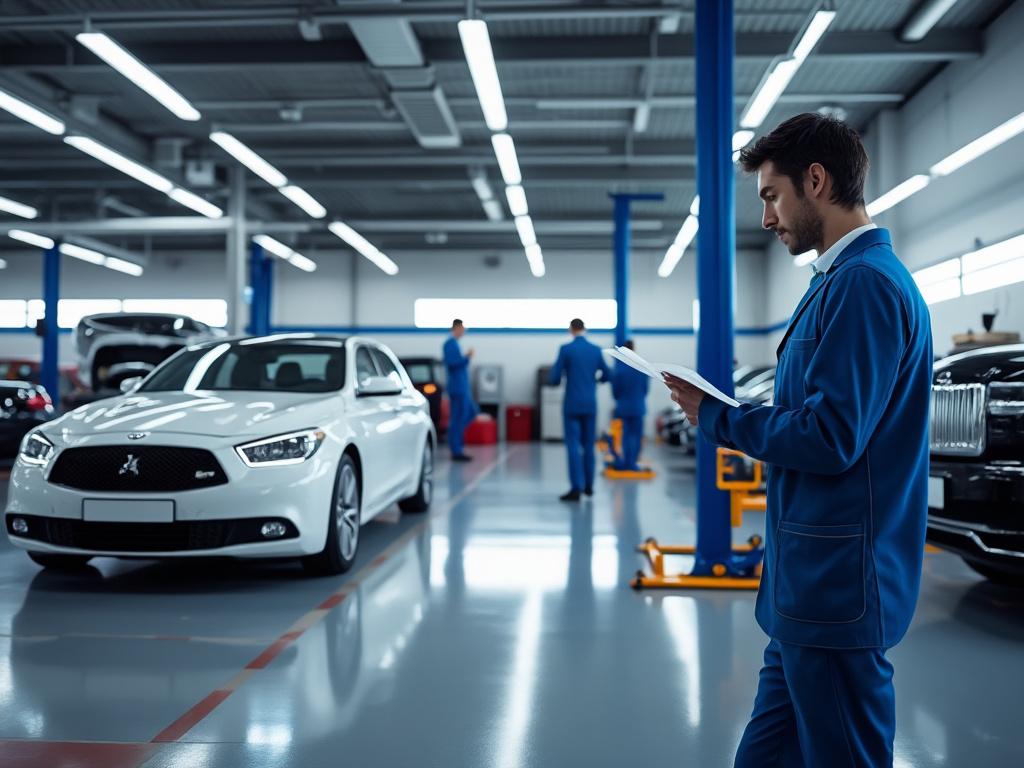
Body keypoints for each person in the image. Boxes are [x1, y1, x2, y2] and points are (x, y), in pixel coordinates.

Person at [664, 113, 932, 767]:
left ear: (815, 181)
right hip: (807, 591)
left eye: (771, 195)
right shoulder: (838, 284)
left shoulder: (865, 286)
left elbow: (831, 435)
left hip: (837, 590)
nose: (766, 218)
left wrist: (720, 418)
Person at [549, 318, 611, 501]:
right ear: (585, 329)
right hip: (590, 404)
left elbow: (554, 377)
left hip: (572, 405)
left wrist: (559, 380)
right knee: (588, 445)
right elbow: (608, 374)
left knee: (573, 446)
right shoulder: (595, 350)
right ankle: (589, 486)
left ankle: (576, 488)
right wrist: (595, 382)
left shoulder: (566, 349)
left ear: (571, 329)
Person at [610, 339, 649, 471]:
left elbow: (615, 392)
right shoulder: (642, 368)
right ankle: (633, 462)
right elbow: (645, 390)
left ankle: (627, 462)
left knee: (627, 435)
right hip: (639, 407)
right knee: (637, 436)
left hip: (624, 407)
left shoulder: (619, 370)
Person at [443, 319, 475, 462]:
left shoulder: (455, 343)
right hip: (457, 388)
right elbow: (452, 363)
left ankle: (458, 445)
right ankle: (456, 450)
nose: (464, 331)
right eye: (462, 328)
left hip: (462, 386)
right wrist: (467, 357)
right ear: (456, 328)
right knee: (457, 418)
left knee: (470, 412)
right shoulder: (449, 343)